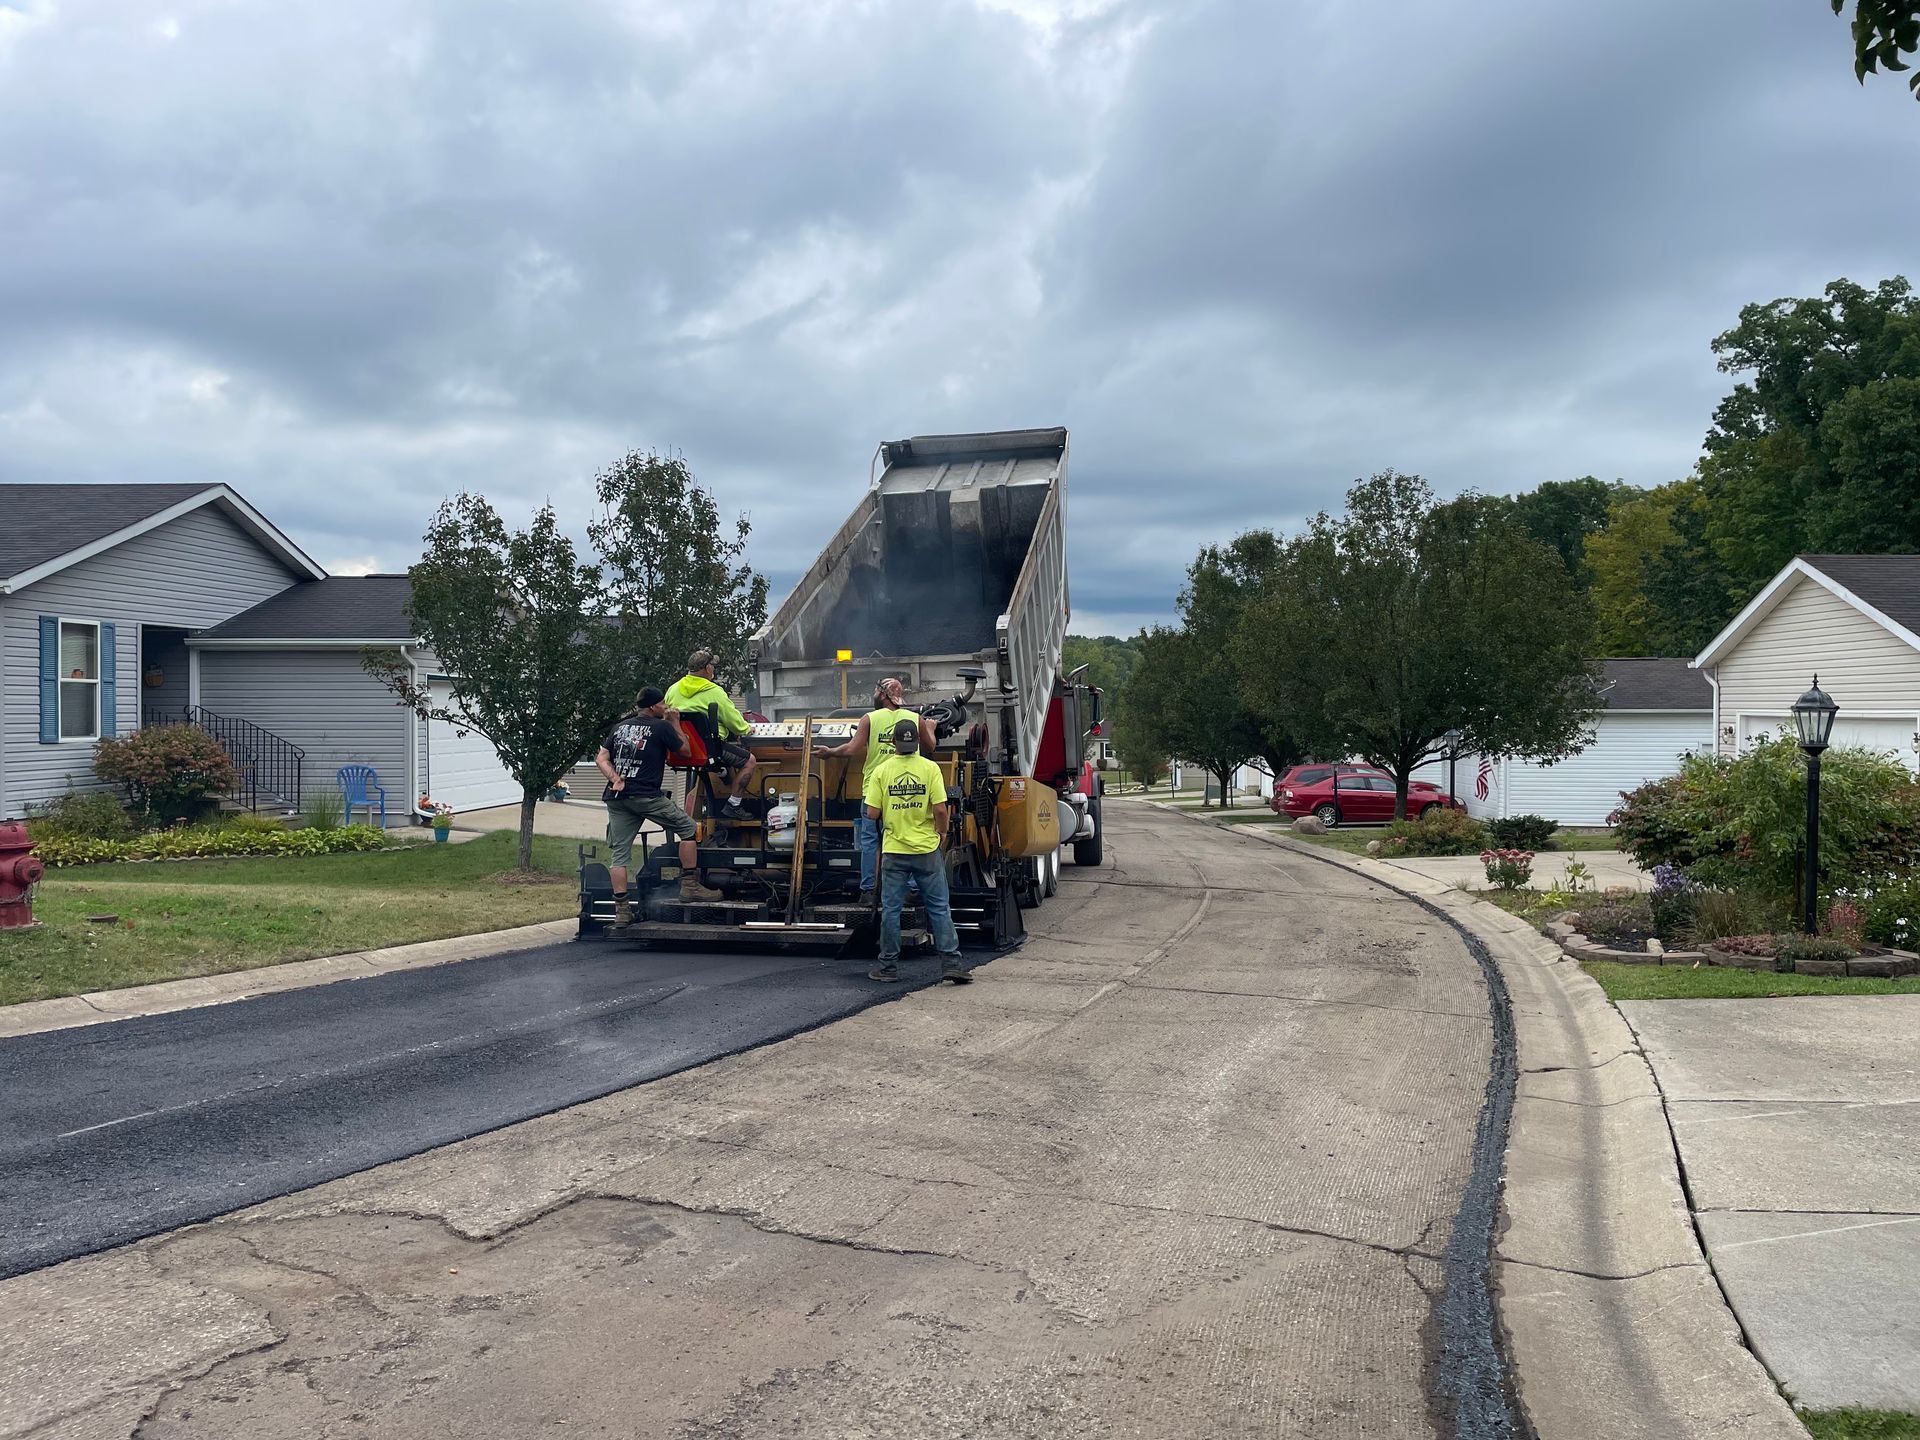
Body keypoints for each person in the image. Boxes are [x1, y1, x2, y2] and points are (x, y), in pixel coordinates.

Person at [597, 686, 725, 926]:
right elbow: (686, 751)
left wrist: (615, 778)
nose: (667, 707)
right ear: (654, 707)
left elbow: (601, 758)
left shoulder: (620, 727)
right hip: (646, 795)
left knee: (619, 856)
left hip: (617, 797)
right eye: (664, 704)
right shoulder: (661, 726)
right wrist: (675, 721)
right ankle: (689, 887)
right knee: (688, 828)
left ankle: (622, 912)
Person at [863, 717, 967, 985]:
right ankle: (951, 964)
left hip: (894, 852)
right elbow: (941, 809)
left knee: (892, 910)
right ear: (918, 742)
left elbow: (872, 813)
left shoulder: (881, 771)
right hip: (926, 850)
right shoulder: (930, 768)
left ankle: (888, 967)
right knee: (939, 908)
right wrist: (941, 834)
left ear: (893, 743)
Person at [824, 677, 939, 899]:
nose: (874, 695)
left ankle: (868, 891)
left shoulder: (869, 719)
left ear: (884, 695)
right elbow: (930, 746)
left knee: (870, 842)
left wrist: (829, 752)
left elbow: (851, 749)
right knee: (910, 835)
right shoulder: (915, 719)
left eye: (876, 691)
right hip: (906, 789)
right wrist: (931, 727)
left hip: (874, 790)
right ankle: (914, 890)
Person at [663, 648, 759, 819]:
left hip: (681, 750)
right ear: (707, 668)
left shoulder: (673, 690)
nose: (713, 669)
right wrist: (746, 729)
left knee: (720, 758)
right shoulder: (714, 692)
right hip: (708, 750)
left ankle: (722, 772)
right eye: (713, 666)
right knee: (749, 761)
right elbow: (735, 723)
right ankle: (733, 804)